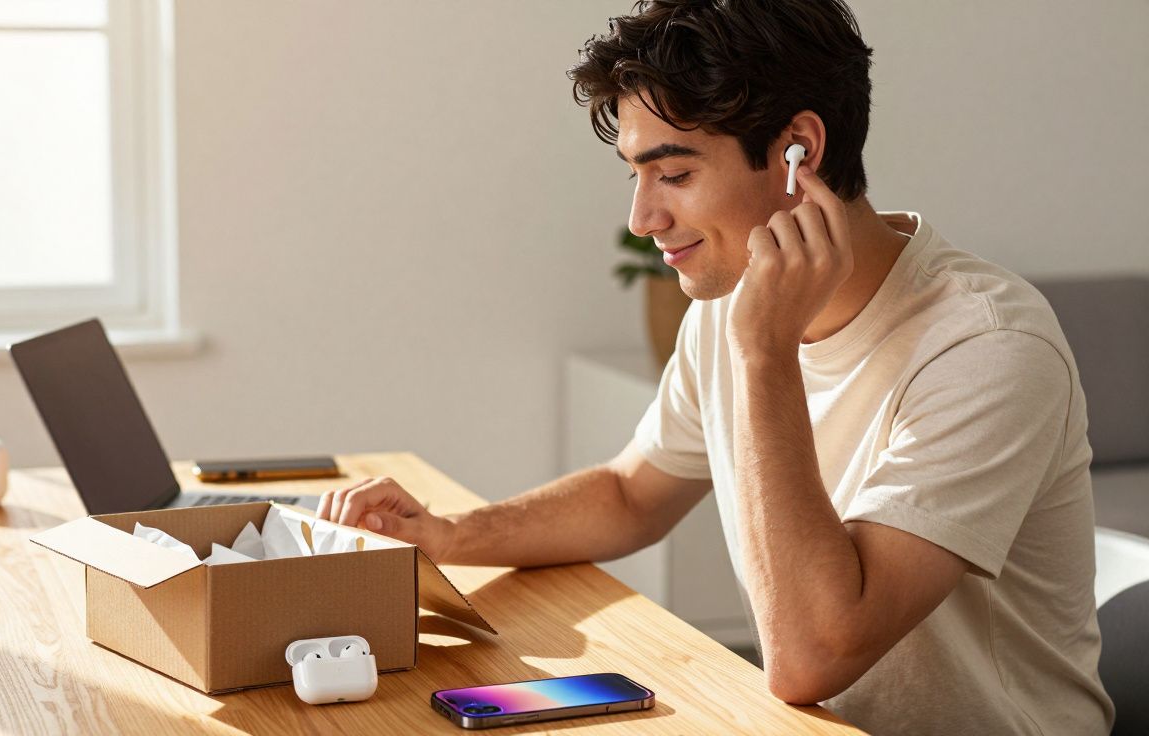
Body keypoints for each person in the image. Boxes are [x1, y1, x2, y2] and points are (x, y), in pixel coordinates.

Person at [317, 1, 1114, 733]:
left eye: (675, 174)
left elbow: (811, 656)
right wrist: (448, 534)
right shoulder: (734, 298)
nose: (643, 218)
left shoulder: (987, 347)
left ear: (800, 152)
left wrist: (765, 353)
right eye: (636, 175)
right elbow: (632, 495)